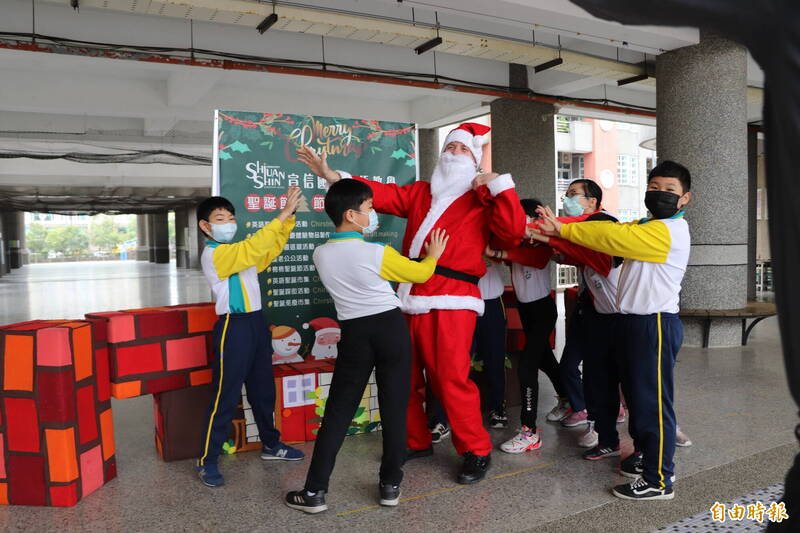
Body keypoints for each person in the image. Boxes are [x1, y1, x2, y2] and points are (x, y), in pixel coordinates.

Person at [297, 122, 526, 484]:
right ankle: (415, 440)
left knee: (451, 378)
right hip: (408, 298)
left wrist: (498, 185)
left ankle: (476, 450)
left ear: (476, 159)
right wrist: (333, 177)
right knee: (401, 378)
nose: (453, 154)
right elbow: (380, 195)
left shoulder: (483, 197)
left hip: (454, 299)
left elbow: (513, 232)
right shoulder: (421, 193)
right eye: (449, 148)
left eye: (463, 150)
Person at [285, 179, 449, 513]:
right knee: (394, 407)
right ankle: (390, 485)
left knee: (338, 412)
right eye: (369, 208)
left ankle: (314, 492)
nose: (373, 213)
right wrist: (433, 256)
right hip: (390, 328)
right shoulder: (376, 252)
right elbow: (418, 275)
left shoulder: (321, 253)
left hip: (355, 333)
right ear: (351, 214)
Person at [536, 160, 692, 501]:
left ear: (685, 199)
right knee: (637, 400)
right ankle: (643, 456)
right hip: (632, 323)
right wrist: (552, 231)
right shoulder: (647, 224)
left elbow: (610, 234)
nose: (660, 194)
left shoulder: (666, 231)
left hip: (654, 324)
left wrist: (561, 228)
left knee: (651, 404)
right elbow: (613, 233)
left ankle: (659, 479)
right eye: (654, 187)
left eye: (670, 191)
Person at [195, 189, 305, 488]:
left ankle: (272, 445)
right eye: (221, 219)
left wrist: (289, 219)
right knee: (225, 396)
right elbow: (254, 248)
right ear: (206, 226)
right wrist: (280, 215)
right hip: (233, 326)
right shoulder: (216, 254)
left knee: (263, 391)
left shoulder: (240, 252)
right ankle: (207, 459)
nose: (229, 223)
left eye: (231, 218)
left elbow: (266, 251)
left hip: (256, 324)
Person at [488, 198, 565, 453]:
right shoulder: (517, 241)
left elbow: (535, 260)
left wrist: (498, 253)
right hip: (526, 310)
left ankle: (530, 431)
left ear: (534, 219)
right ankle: (571, 400)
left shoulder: (543, 240)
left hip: (542, 309)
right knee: (545, 360)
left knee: (527, 366)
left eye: (518, 217)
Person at [475, 259, 509, 428]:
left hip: (492, 302)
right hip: (464, 301)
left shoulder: (494, 235)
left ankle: (497, 408)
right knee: (457, 360)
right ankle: (444, 416)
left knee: (495, 358)